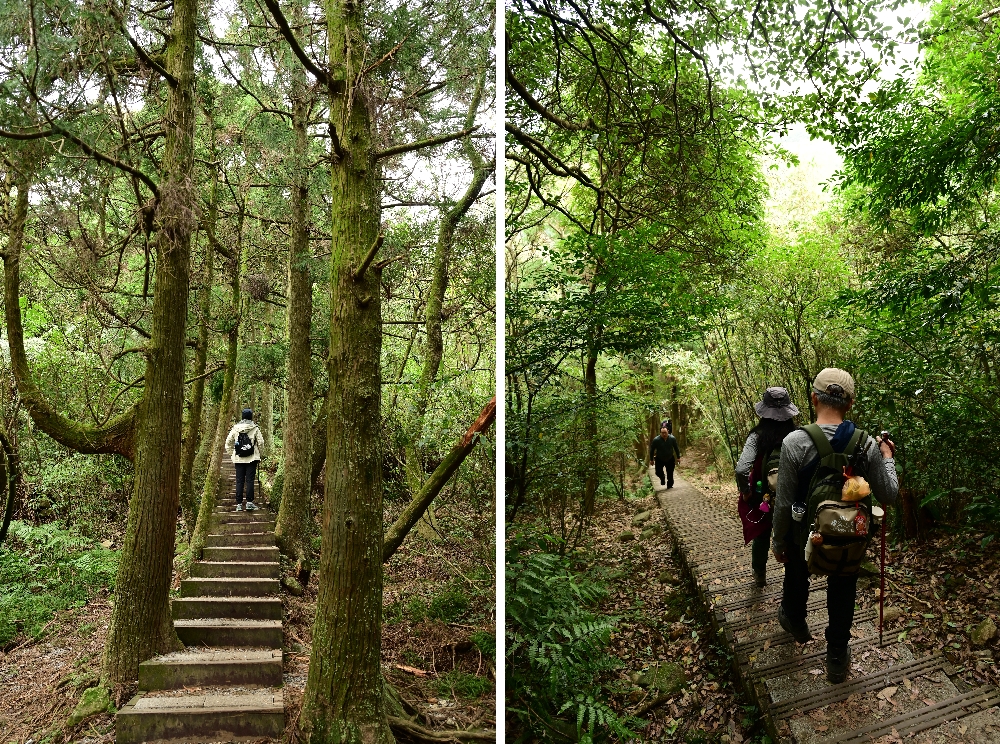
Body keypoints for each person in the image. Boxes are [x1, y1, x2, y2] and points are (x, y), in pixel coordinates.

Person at [771, 368, 897, 683]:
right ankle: (837, 656)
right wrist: (887, 457)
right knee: (843, 585)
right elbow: (889, 494)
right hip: (850, 535)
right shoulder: (866, 444)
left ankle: (797, 622)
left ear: (813, 398)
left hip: (806, 533)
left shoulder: (794, 442)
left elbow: (784, 502)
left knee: (797, 572)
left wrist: (778, 542)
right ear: (850, 404)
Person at [735, 387, 798, 589]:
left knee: (761, 534)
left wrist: (746, 492)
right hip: (791, 494)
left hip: (763, 496)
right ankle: (793, 578)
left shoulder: (757, 436)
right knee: (791, 534)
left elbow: (741, 469)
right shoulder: (797, 435)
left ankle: (760, 574)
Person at [224, 408, 266, 512]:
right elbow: (260, 442)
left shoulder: (235, 428)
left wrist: (232, 453)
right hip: (252, 458)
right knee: (250, 480)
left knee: (239, 481)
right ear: (251, 417)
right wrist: (260, 453)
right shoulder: (255, 428)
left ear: (242, 417)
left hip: (239, 458)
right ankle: (249, 503)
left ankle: (238, 504)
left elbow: (228, 443)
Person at [649, 422, 681, 488]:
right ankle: (662, 477)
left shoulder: (672, 438)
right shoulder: (656, 440)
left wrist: (678, 457)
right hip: (659, 458)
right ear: (660, 432)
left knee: (670, 473)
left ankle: (669, 485)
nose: (664, 434)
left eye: (665, 432)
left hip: (670, 458)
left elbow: (676, 448)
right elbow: (652, 450)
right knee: (658, 472)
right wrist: (651, 460)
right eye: (662, 433)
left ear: (668, 431)